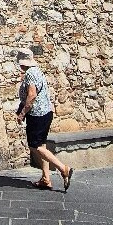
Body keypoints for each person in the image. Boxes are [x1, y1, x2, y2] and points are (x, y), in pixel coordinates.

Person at [16, 48, 73, 192]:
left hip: (37, 115)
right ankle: (46, 179)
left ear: (23, 63)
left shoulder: (30, 74)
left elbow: (32, 95)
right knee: (41, 144)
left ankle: (63, 168)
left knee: (36, 146)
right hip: (46, 113)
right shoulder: (37, 71)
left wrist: (22, 113)